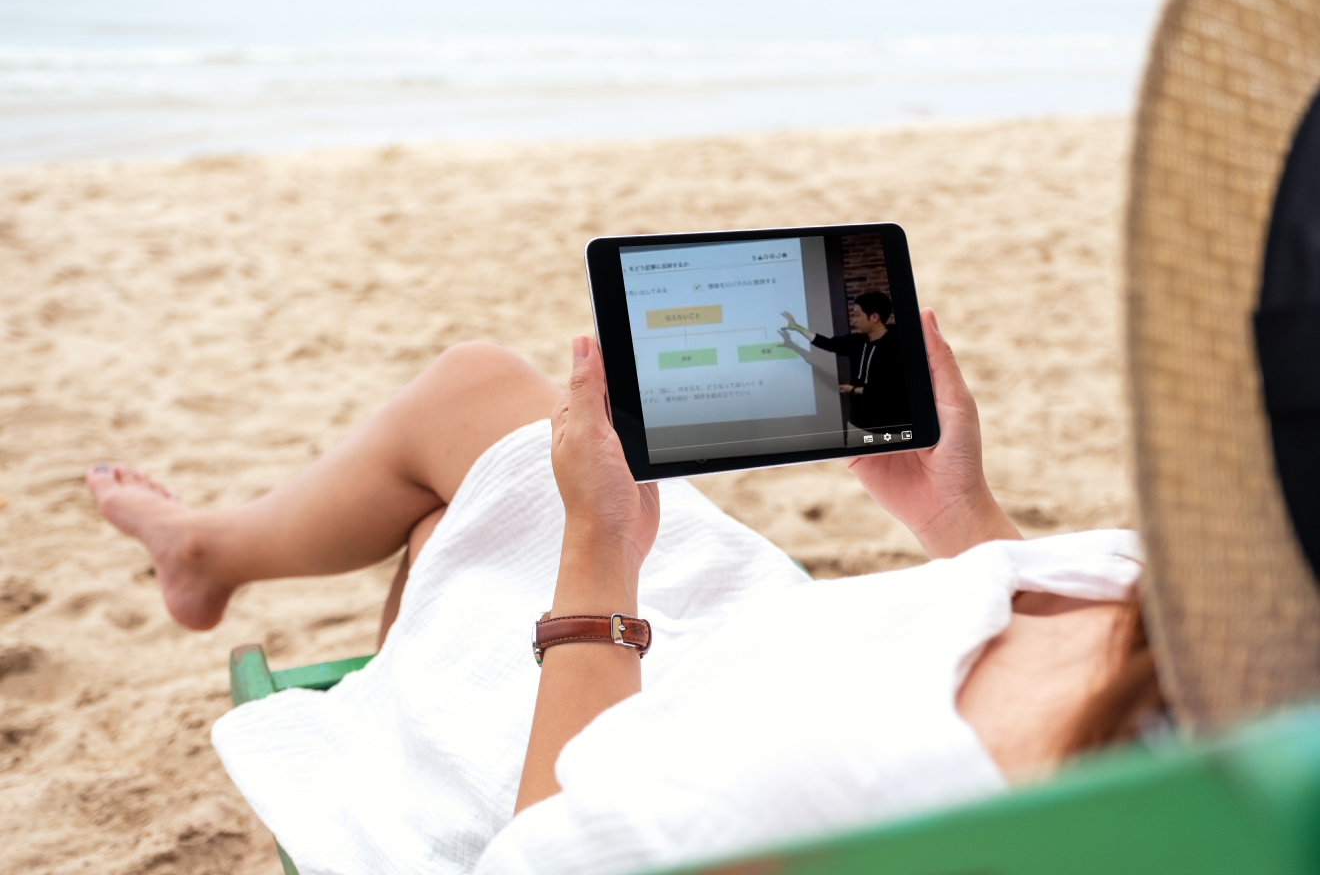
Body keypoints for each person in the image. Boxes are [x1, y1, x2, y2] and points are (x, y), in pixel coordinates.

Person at [86, 308, 1161, 875]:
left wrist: (599, 547)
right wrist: (963, 522)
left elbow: (544, 853)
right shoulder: (1206, 665)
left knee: (458, 481)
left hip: (648, 719)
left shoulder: (874, 790)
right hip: (772, 645)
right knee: (477, 424)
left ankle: (208, 553)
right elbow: (1096, 681)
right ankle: (213, 551)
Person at [780, 291, 911, 430]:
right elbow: (828, 344)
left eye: (857, 315)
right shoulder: (857, 342)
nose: (854, 320)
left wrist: (854, 389)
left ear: (874, 317)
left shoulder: (897, 345)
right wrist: (798, 330)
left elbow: (893, 388)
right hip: (859, 423)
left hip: (893, 425)